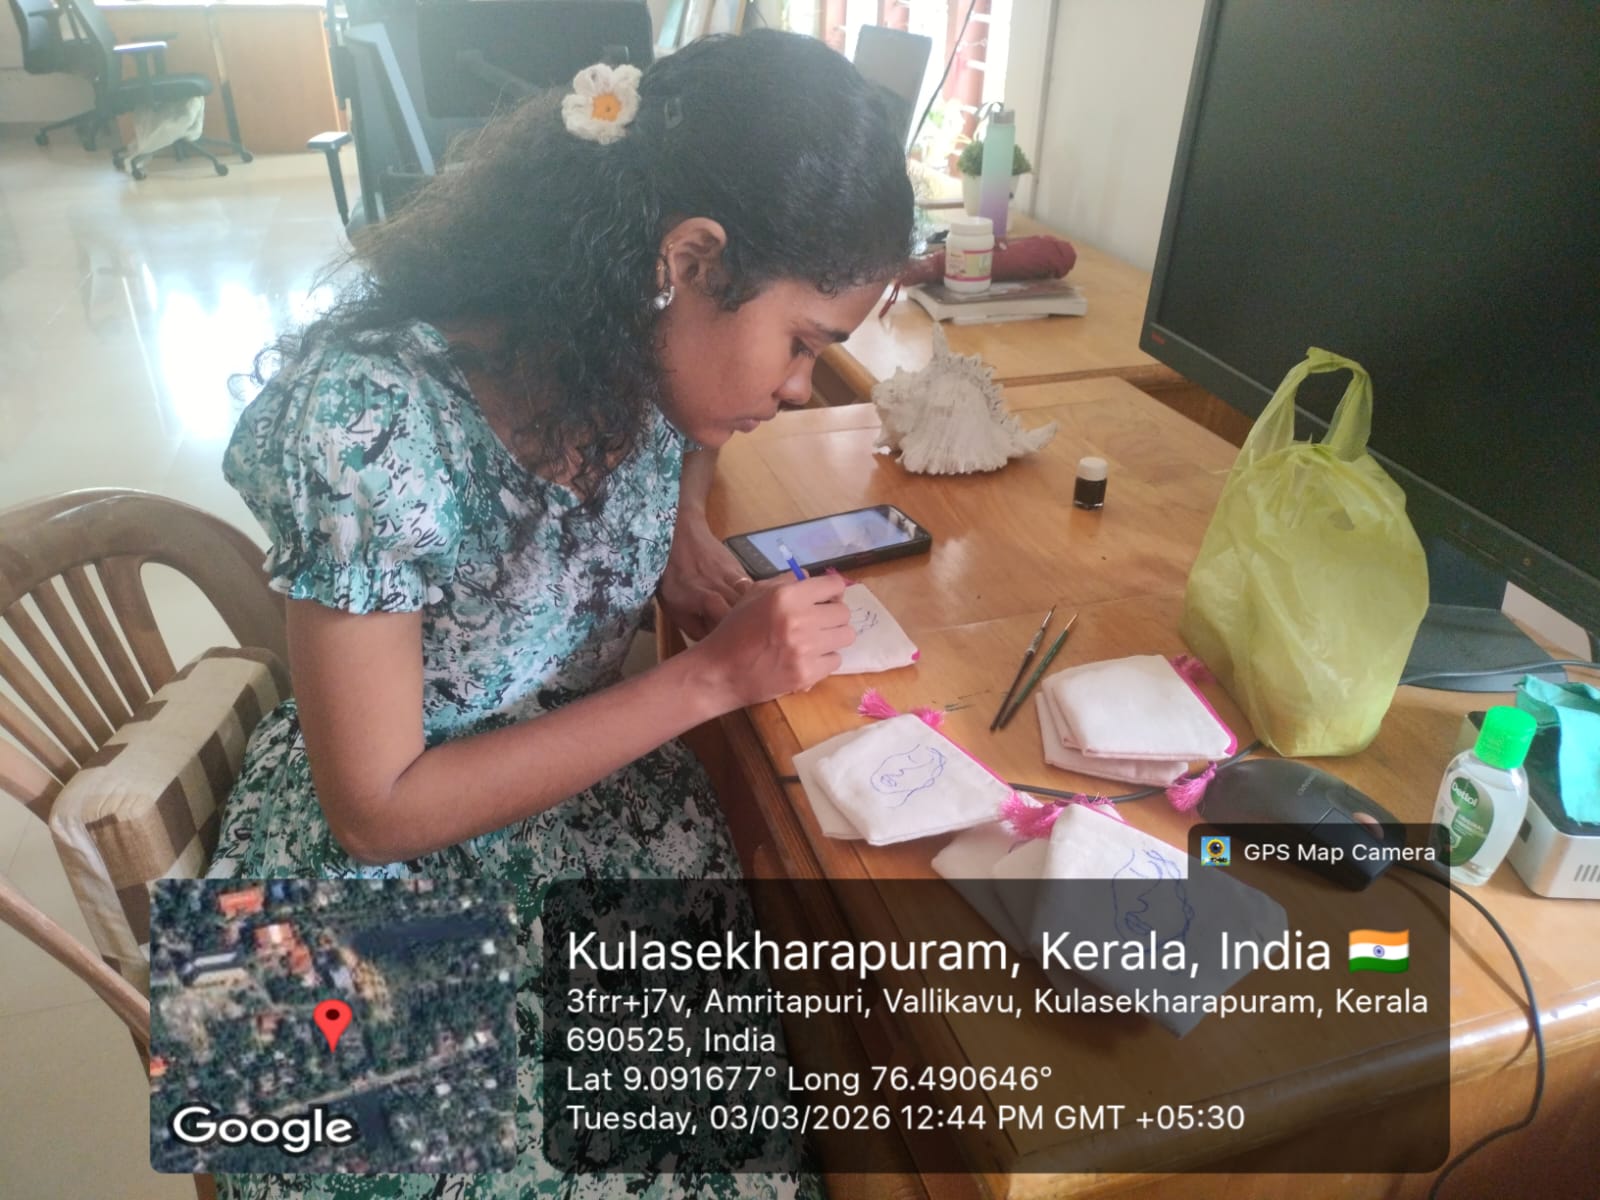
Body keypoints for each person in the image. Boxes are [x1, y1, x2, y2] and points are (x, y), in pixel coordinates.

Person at [203, 28, 914, 1200]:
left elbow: (687, 439)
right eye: (801, 346)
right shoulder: (374, 423)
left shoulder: (623, 351)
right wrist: (708, 677)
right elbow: (375, 811)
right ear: (690, 259)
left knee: (787, 1098)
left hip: (568, 807)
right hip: (385, 881)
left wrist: (679, 529)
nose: (797, 391)